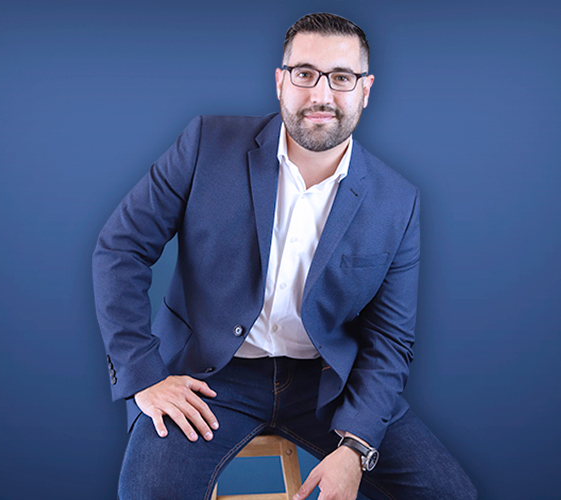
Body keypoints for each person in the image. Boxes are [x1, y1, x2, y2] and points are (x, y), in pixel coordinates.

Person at [93, 12, 477, 500]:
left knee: (451, 494)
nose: (321, 95)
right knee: (149, 494)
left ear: (365, 89)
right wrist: (144, 375)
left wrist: (355, 447)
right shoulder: (206, 143)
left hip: (326, 387)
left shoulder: (397, 202)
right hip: (208, 376)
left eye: (341, 78)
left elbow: (390, 339)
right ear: (280, 82)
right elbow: (120, 249)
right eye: (305, 74)